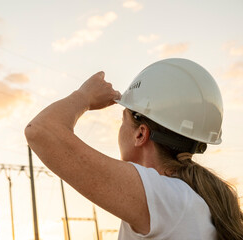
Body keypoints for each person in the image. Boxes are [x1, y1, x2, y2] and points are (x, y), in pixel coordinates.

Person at [24, 58, 243, 240]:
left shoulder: (166, 199)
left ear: (140, 134)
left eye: (123, 121)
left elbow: (41, 130)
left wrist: (84, 96)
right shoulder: (192, 200)